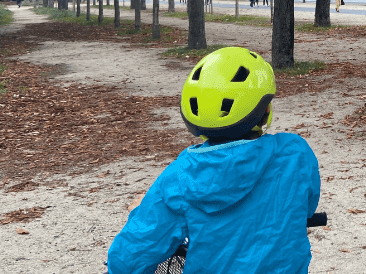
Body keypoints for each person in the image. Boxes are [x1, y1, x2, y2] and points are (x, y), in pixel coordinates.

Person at [106, 47, 320, 274]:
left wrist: (141, 211)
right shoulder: (295, 154)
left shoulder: (181, 178)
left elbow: (127, 261)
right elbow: (307, 206)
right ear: (266, 109)